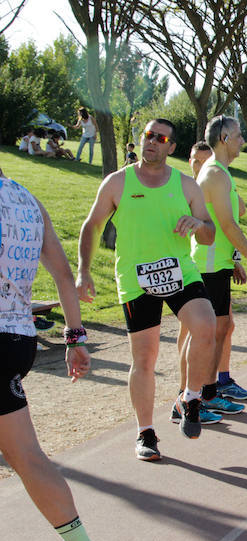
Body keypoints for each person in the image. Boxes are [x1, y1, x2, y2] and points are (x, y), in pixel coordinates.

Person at [76, 118, 218, 459]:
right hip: (136, 277)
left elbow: (210, 232)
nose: (151, 141)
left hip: (179, 270)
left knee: (206, 325)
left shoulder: (187, 185)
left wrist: (199, 224)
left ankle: (190, 397)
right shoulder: (117, 183)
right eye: (147, 135)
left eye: (160, 138)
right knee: (144, 358)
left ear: (171, 147)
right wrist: (83, 271)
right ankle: (145, 433)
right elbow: (92, 226)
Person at [0, 166, 110, 541]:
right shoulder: (27, 200)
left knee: (27, 456)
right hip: (18, 338)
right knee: (27, 456)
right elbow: (64, 275)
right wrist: (75, 338)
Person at [186, 115, 247, 418]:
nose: (242, 141)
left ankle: (206, 392)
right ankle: (198, 396)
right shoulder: (214, 174)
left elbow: (227, 225)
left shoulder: (223, 173)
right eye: (238, 136)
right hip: (207, 265)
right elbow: (228, 225)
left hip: (219, 263)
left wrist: (234, 260)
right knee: (210, 332)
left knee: (221, 328)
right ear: (224, 138)